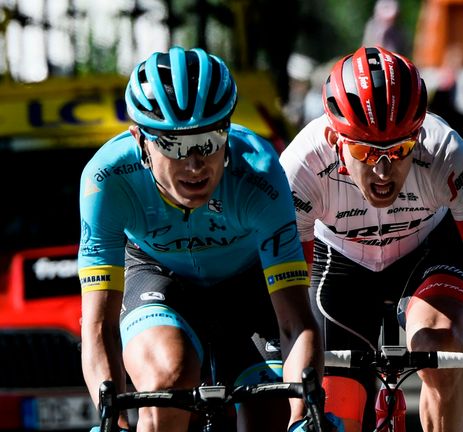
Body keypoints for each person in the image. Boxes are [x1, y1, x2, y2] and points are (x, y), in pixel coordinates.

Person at [278, 45, 463, 432]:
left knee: (438, 350)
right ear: (335, 139)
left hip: (427, 254)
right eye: (365, 151)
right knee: (333, 396)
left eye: (399, 150)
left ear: (417, 137)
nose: (383, 171)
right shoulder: (301, 168)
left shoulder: (445, 151)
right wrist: (300, 400)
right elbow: (290, 308)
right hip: (340, 264)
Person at [78, 46, 334, 432]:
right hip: (159, 275)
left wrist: (303, 417)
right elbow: (99, 325)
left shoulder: (260, 175)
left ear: (228, 130)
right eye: (174, 146)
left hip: (249, 285)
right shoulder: (107, 181)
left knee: (272, 410)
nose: (194, 164)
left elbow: (296, 321)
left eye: (210, 140)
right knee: (168, 382)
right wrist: (112, 419)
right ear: (140, 139)